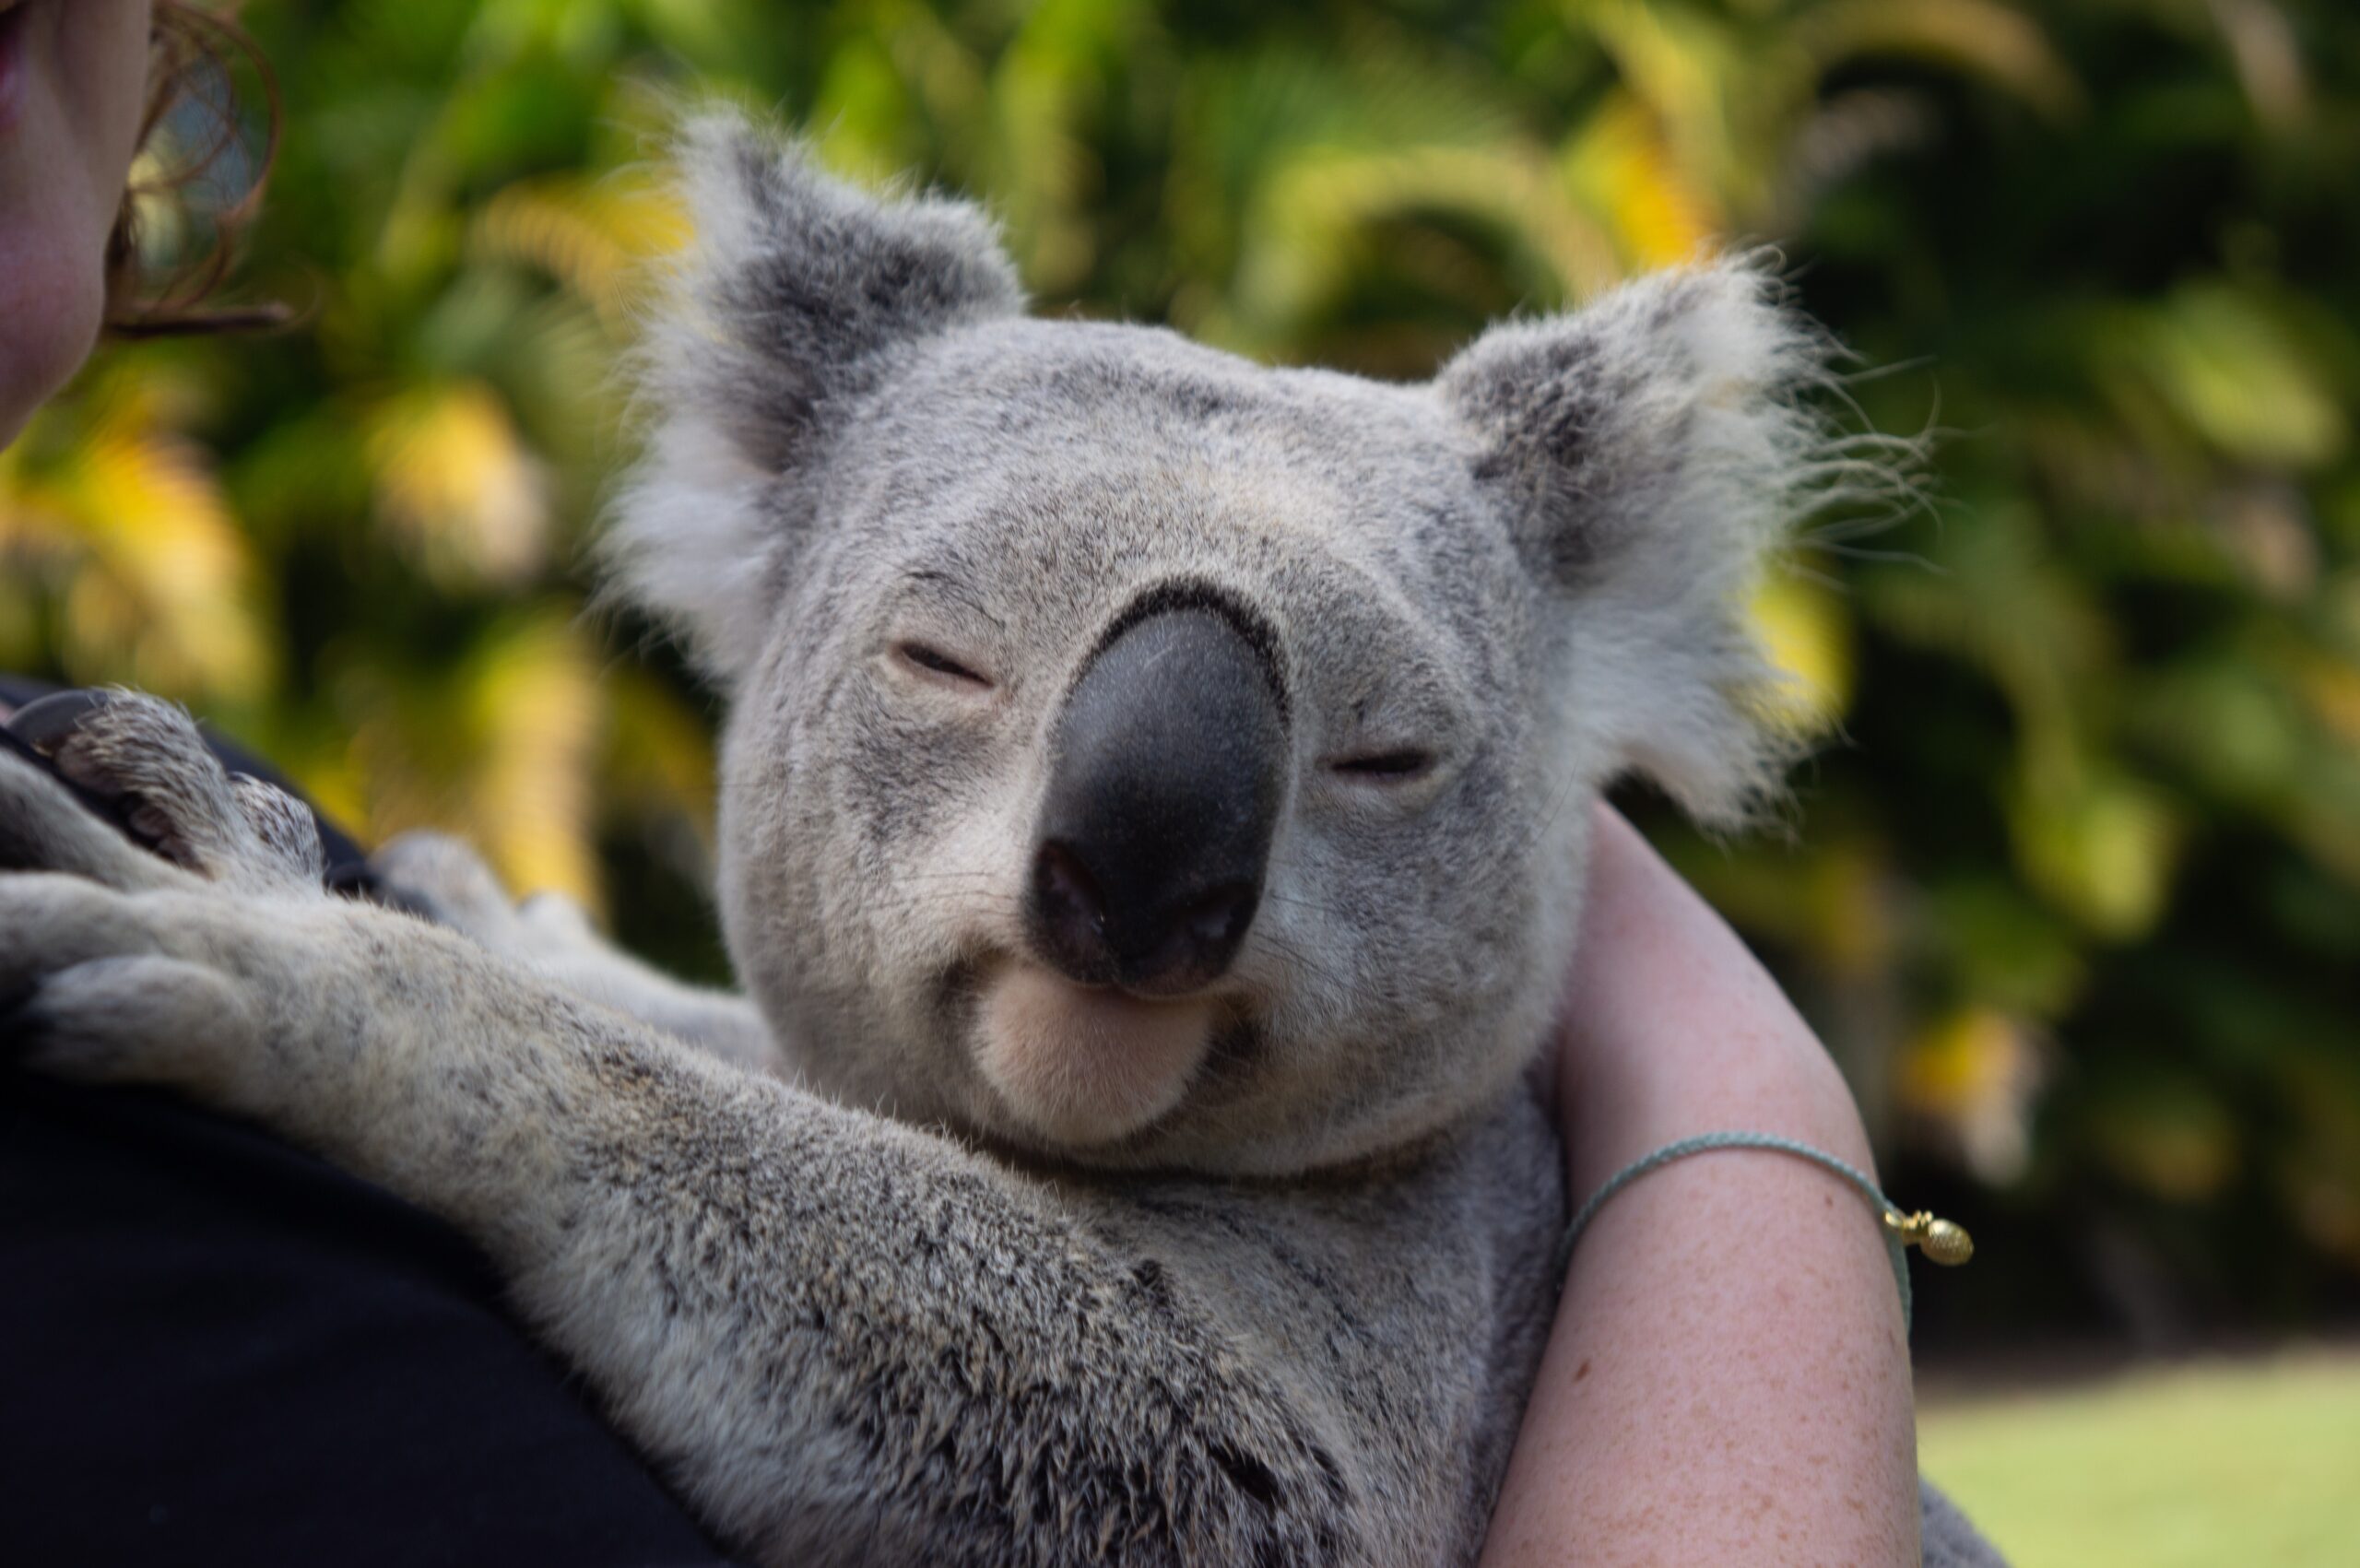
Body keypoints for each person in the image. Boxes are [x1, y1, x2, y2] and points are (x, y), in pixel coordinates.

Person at [0, 6, 1989, 1564]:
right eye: (943, 662)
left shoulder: (1408, 1242)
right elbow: (930, 1173)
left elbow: (1205, 1493)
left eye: (1386, 757)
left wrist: (450, 1039)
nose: (1135, 880)